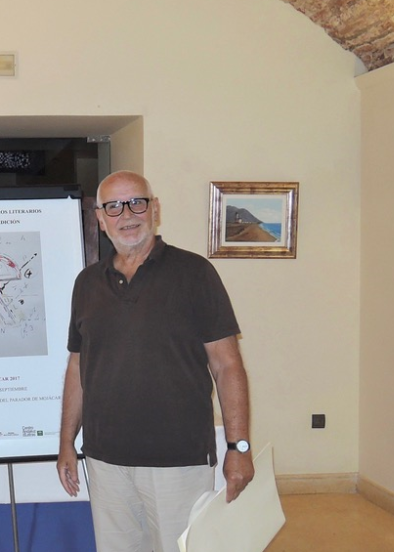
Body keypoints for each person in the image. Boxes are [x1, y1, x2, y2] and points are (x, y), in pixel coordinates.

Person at [57, 170, 254, 552]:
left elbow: (228, 365)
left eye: (137, 202)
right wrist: (67, 441)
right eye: (114, 207)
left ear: (155, 209)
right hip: (105, 461)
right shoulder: (86, 284)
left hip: (178, 461)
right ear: (100, 218)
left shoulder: (196, 273)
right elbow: (77, 367)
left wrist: (239, 447)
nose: (126, 214)